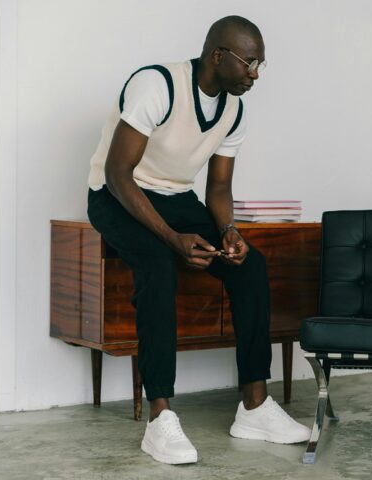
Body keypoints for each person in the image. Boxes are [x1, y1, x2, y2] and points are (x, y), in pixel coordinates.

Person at [86, 16, 310, 465]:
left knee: (251, 265)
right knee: (157, 265)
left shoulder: (234, 110)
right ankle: (160, 417)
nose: (255, 74)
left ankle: (254, 405)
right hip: (117, 195)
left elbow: (219, 190)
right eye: (249, 63)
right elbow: (117, 174)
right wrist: (172, 238)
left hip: (175, 196)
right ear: (217, 56)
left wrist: (229, 232)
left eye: (260, 64)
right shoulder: (158, 85)